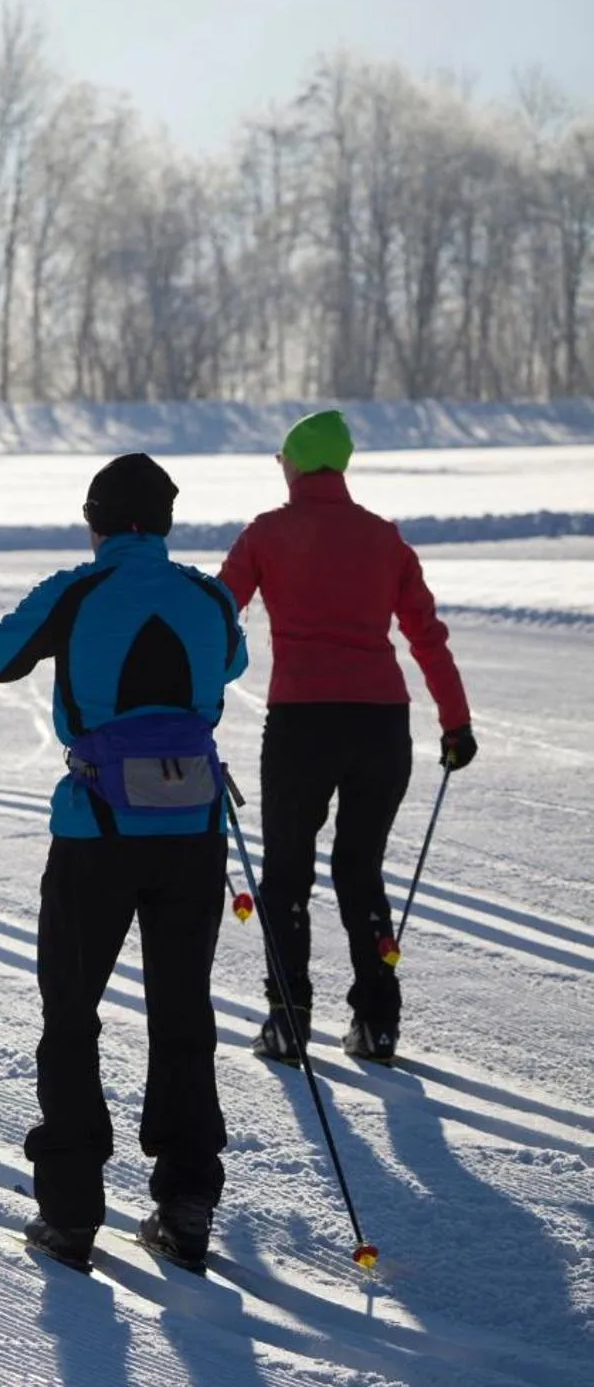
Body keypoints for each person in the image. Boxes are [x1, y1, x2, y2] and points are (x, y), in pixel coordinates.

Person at [0, 453, 247, 1273]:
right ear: (165, 523)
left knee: (71, 1016)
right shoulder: (209, 596)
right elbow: (232, 663)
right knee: (182, 1013)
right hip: (195, 829)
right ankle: (187, 1198)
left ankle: (70, 1215)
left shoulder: (79, 590)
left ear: (98, 522)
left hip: (97, 832)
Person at [219, 410, 475, 1067]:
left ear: (298, 464)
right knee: (360, 869)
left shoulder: (267, 533)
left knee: (286, 874)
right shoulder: (383, 539)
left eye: (283, 459)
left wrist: (186, 698)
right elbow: (425, 633)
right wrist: (455, 721)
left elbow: (218, 614)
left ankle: (289, 1018)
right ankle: (377, 1022)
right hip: (381, 724)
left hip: (303, 722)